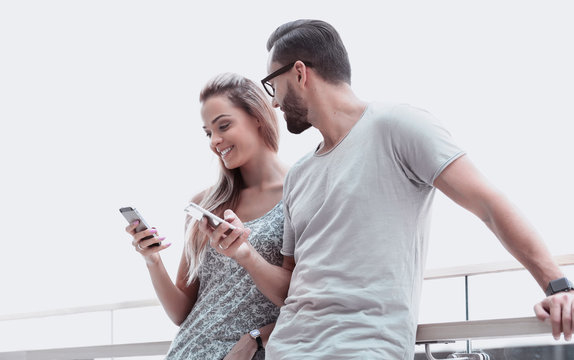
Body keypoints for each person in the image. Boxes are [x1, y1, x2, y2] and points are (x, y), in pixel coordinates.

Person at [202, 19, 574, 359]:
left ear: (299, 73)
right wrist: (245, 253)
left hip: (362, 349)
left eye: (273, 84)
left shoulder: (397, 126)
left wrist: (556, 286)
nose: (273, 100)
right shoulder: (299, 175)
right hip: (287, 351)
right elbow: (291, 290)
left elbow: (488, 203)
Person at [125, 73, 288, 360]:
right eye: (208, 132)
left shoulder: (297, 194)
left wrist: (257, 339)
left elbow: (300, 298)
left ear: (257, 117)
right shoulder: (206, 204)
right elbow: (181, 312)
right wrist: (153, 260)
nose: (215, 140)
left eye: (223, 125)